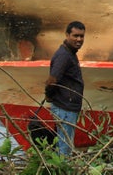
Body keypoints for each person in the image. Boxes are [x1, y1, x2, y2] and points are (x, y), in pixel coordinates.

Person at [45, 21, 86, 156]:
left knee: (64, 145)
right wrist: (49, 96)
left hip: (67, 108)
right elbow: (52, 80)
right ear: (67, 35)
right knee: (65, 147)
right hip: (65, 109)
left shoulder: (70, 53)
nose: (79, 40)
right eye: (75, 36)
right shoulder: (64, 55)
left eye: (81, 36)